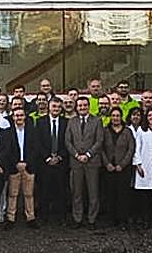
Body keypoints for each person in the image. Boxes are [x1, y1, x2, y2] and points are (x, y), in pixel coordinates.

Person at [65, 96, 104, 228]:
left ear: (88, 106)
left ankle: (92, 219)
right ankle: (77, 218)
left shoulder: (97, 121)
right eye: (80, 106)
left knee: (93, 192)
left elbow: (99, 141)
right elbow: (67, 141)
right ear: (77, 107)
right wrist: (76, 155)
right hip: (76, 162)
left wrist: (88, 154)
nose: (82, 108)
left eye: (84, 105)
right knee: (76, 192)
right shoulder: (72, 121)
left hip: (92, 162)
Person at [34, 98, 68, 225]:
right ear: (49, 107)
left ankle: (62, 217)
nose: (56, 109)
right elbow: (37, 142)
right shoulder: (40, 122)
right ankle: (43, 217)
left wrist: (59, 157)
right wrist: (47, 158)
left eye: (59, 107)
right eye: (54, 106)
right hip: (45, 163)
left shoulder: (66, 122)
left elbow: (68, 142)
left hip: (61, 162)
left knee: (61, 191)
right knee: (44, 190)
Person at [101, 106, 136, 229]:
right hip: (109, 168)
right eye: (113, 115)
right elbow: (101, 149)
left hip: (124, 169)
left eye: (118, 115)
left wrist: (122, 164)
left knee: (123, 195)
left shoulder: (127, 131)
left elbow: (131, 149)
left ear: (121, 117)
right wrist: (107, 164)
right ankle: (111, 219)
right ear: (110, 117)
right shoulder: (105, 131)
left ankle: (122, 220)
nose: (115, 118)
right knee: (110, 194)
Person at [3, 107, 38, 227]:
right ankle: (10, 218)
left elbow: (35, 150)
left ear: (25, 117)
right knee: (13, 194)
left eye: (21, 115)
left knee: (29, 194)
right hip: (15, 167)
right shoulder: (8, 132)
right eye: (16, 115)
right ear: (13, 117)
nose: (19, 118)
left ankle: (31, 217)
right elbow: (7, 151)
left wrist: (27, 163)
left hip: (29, 166)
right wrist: (16, 163)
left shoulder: (32, 131)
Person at [132, 108, 152, 228]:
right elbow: (137, 148)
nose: (151, 117)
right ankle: (146, 220)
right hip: (144, 166)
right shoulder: (141, 130)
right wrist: (138, 164)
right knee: (145, 197)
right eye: (149, 115)